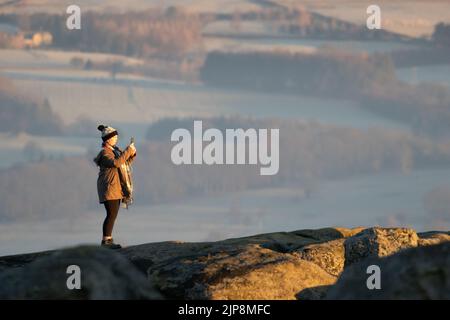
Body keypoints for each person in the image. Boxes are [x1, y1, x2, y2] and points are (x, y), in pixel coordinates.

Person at [93, 125, 137, 249]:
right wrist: (127, 151)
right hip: (109, 187)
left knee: (113, 214)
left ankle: (108, 239)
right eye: (114, 137)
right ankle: (106, 241)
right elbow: (116, 163)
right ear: (108, 139)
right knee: (111, 214)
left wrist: (131, 154)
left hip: (115, 187)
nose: (116, 138)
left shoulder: (114, 150)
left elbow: (124, 163)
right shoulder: (105, 153)